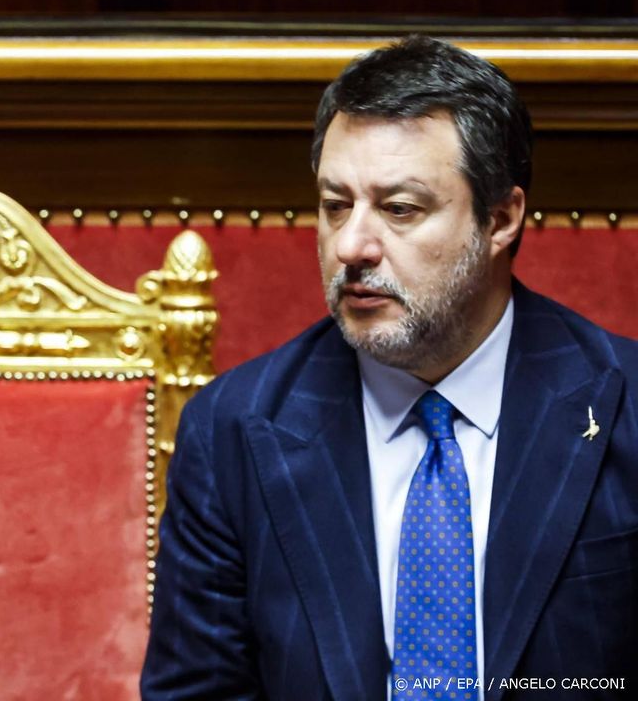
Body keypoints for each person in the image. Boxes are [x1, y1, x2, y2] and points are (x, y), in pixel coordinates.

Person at [141, 36, 638, 700]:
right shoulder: (231, 432)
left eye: (400, 209)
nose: (351, 245)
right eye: (335, 205)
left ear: (500, 219)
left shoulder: (625, 410)